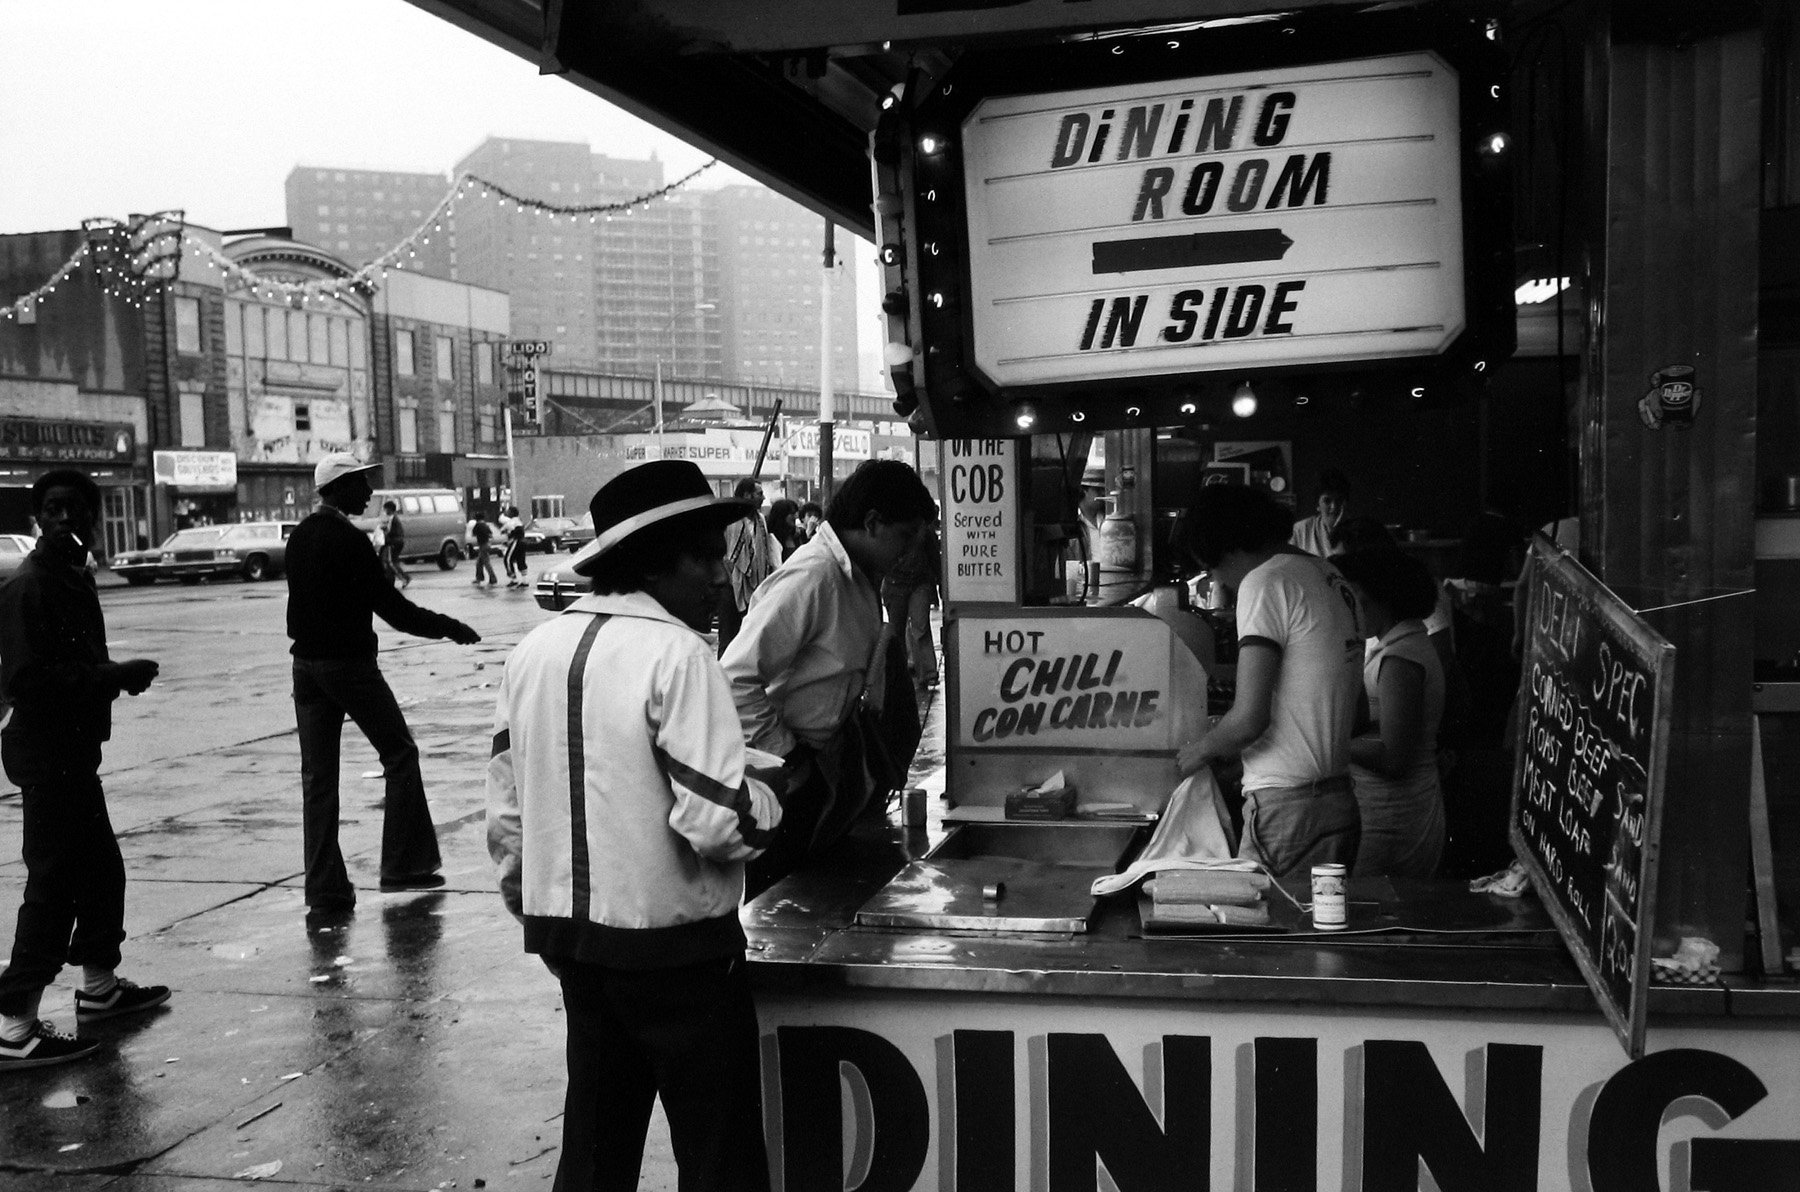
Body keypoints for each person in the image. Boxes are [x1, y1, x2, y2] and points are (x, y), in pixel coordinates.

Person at [488, 459, 782, 1192]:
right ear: (656, 560)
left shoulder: (533, 652)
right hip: (679, 954)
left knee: (594, 1149)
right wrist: (770, 800)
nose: (721, 575)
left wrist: (535, 899)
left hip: (573, 946)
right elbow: (717, 823)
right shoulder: (679, 655)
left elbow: (507, 814)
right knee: (720, 1155)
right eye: (705, 556)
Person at [0, 469, 168, 1070]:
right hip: (47, 759)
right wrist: (112, 676)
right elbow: (24, 680)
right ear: (37, 518)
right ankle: (14, 1025)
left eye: (75, 507)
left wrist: (109, 681)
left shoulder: (71, 574)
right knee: (54, 886)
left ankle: (99, 989)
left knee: (100, 871)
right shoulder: (32, 585)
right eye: (52, 508)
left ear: (93, 516)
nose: (64, 517)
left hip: (71, 754)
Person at [724, 459, 937, 897]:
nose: (914, 546)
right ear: (873, 522)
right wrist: (791, 758)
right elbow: (736, 677)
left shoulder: (860, 577)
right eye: (907, 533)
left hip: (827, 771)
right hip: (792, 780)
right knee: (783, 904)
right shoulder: (814, 576)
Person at [286, 454, 481, 914]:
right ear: (337, 488)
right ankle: (403, 867)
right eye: (361, 483)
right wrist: (450, 626)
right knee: (400, 754)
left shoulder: (300, 537)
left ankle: (326, 891)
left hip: (306, 666)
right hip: (348, 666)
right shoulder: (348, 541)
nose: (370, 492)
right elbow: (394, 610)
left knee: (318, 781)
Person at [1178, 484, 1364, 879]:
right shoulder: (1331, 576)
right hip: (1338, 802)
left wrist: (1197, 753)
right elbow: (1354, 710)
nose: (1219, 581)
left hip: (1287, 812)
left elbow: (1249, 719)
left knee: (1266, 934)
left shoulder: (1265, 581)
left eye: (1212, 568)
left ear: (1228, 548)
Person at [1335, 548, 1447, 878]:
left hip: (1394, 816)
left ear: (1380, 600)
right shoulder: (1395, 648)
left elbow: (1394, 757)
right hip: (1388, 809)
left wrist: (1325, 743)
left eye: (1355, 600)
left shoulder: (1400, 660)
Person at [877, 521, 941, 693]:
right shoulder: (888, 526)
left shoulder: (923, 529)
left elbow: (934, 556)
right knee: (897, 632)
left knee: (919, 626)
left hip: (918, 582)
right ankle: (901, 677)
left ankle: (927, 673)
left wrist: (940, 582)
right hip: (894, 584)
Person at [717, 479, 776, 656]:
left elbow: (764, 553)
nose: (763, 497)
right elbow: (727, 556)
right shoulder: (730, 521)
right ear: (746, 495)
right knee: (728, 639)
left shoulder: (761, 521)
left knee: (750, 639)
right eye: (759, 493)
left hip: (756, 588)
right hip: (731, 586)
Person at [1290, 469, 1351, 557]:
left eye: (1339, 500)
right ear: (1318, 505)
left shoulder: (1356, 532)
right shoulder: (1300, 531)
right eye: (1327, 501)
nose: (1334, 507)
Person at [379, 500, 410, 589]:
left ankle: (405, 578)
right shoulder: (392, 518)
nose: (385, 511)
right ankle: (395, 578)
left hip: (395, 542)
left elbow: (393, 532)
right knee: (392, 561)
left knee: (391, 562)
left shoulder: (393, 519)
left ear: (389, 509)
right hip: (395, 542)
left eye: (385, 509)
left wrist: (385, 531)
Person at [499, 506, 527, 589]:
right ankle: (524, 580)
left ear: (512, 513)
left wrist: (507, 531)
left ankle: (513, 579)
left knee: (507, 559)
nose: (507, 513)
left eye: (508, 511)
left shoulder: (512, 522)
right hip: (523, 541)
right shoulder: (519, 520)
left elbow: (504, 529)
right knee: (520, 560)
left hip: (516, 541)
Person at [469, 516, 497, 587]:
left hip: (483, 545)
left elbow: (473, 534)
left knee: (486, 563)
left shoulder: (477, 525)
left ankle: (493, 579)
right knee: (479, 563)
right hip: (487, 544)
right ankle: (479, 578)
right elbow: (490, 534)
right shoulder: (486, 525)